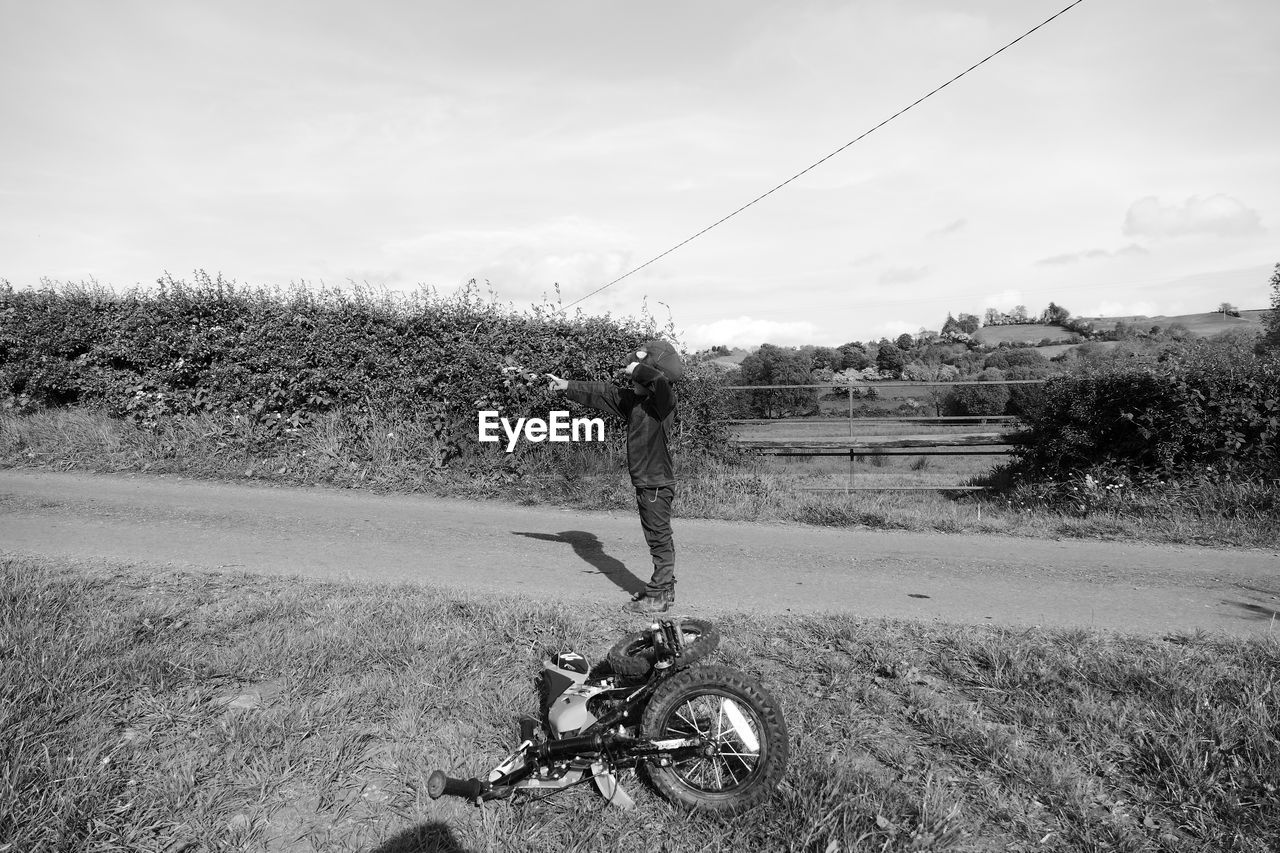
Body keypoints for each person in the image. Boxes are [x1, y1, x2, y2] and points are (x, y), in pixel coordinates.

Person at [546, 340, 683, 613]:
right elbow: (604, 393)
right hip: (648, 482)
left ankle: (657, 595)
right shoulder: (636, 403)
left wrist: (637, 368)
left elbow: (659, 381)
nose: (630, 382)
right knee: (659, 537)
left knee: (658, 538)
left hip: (655, 482)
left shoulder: (662, 403)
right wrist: (567, 386)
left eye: (635, 377)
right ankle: (664, 589)